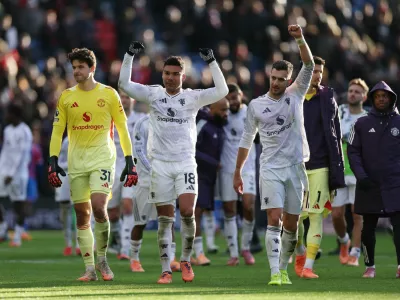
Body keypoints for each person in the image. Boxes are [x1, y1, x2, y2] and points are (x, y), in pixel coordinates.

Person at [119, 41, 228, 284]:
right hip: (160, 165)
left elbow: (222, 91)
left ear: (183, 75)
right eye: (167, 74)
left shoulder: (192, 98)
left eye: (175, 74)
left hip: (185, 163)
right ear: (162, 74)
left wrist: (212, 62)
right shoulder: (153, 94)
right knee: (165, 220)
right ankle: (166, 269)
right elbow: (124, 85)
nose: (170, 78)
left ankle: (186, 259)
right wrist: (129, 56)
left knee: (188, 213)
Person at [234, 24, 315, 286]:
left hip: (296, 167)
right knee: (274, 218)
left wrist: (300, 38)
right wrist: (238, 171)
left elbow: (310, 65)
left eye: (282, 79)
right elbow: (247, 138)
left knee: (291, 226)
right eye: (273, 78)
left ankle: (283, 267)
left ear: (289, 80)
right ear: (269, 76)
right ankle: (274, 273)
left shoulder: (296, 94)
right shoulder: (256, 105)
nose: (277, 82)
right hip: (269, 168)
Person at [48, 48, 138, 282]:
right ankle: (89, 268)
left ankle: (103, 259)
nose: (76, 71)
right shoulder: (67, 96)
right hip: (77, 163)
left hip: (102, 160)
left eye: (81, 67)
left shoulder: (109, 94)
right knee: (81, 215)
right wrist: (53, 159)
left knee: (99, 206)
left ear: (92, 69)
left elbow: (122, 128)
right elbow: (58, 131)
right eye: (74, 67)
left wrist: (129, 160)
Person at [295, 56, 345, 279]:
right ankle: (298, 252)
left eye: (320, 71)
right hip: (294, 166)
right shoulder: (290, 96)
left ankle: (308, 267)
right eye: (313, 71)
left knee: (315, 216)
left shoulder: (328, 98)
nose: (317, 75)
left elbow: (336, 134)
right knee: (293, 219)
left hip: (320, 165)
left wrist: (336, 168)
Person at [348, 81, 400, 279]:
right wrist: (362, 176)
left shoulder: (399, 122)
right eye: (378, 96)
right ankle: (369, 266)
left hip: (395, 183)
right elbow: (353, 152)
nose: (381, 99)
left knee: (399, 226)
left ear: (391, 98)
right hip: (368, 183)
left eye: (385, 96)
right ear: (372, 98)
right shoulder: (361, 123)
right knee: (368, 227)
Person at [332, 78, 369, 267]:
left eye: (357, 91)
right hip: (339, 170)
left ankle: (354, 252)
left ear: (364, 96)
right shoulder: (339, 112)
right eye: (350, 90)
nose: (352, 94)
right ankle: (344, 240)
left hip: (357, 172)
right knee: (337, 214)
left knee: (357, 214)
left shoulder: (367, 119)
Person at [219, 83, 257, 266]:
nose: (232, 101)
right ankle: (234, 253)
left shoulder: (250, 113)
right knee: (229, 210)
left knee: (249, 206)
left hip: (248, 169)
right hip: (226, 169)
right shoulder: (222, 115)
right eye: (229, 98)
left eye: (235, 97)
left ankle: (246, 248)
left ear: (241, 95)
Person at [107, 90, 145, 260]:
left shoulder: (141, 120)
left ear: (133, 101)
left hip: (132, 166)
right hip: (113, 166)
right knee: (112, 213)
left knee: (128, 206)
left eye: (127, 97)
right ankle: (116, 241)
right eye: (121, 97)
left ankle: (125, 248)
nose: (124, 100)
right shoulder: (110, 118)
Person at [193, 99, 228, 265]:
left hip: (209, 176)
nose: (225, 113)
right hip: (198, 173)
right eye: (222, 110)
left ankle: (196, 252)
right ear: (211, 108)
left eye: (226, 110)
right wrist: (214, 163)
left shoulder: (218, 125)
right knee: (196, 213)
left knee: (203, 211)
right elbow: (192, 147)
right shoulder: (203, 123)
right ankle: (198, 253)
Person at [0, 103, 33, 247]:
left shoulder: (25, 131)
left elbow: (22, 155)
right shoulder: (7, 130)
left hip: (19, 174)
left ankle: (18, 235)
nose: (6, 116)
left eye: (8, 113)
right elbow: (5, 151)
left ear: (15, 115)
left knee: (18, 204)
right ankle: (3, 228)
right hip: (5, 171)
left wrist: (12, 174)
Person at [55, 136, 80, 256]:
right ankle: (68, 243)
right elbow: (60, 159)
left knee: (80, 208)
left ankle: (80, 244)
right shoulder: (66, 140)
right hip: (64, 174)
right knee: (64, 208)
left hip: (80, 174)